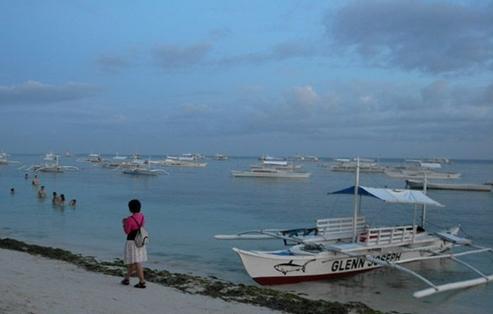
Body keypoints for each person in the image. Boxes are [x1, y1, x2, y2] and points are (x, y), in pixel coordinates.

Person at [121, 199, 147, 288]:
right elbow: (142, 226)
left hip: (132, 242)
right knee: (133, 261)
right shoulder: (142, 216)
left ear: (130, 209)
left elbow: (127, 231)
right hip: (140, 241)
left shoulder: (129, 219)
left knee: (136, 262)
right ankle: (127, 279)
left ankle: (142, 281)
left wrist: (124, 223)